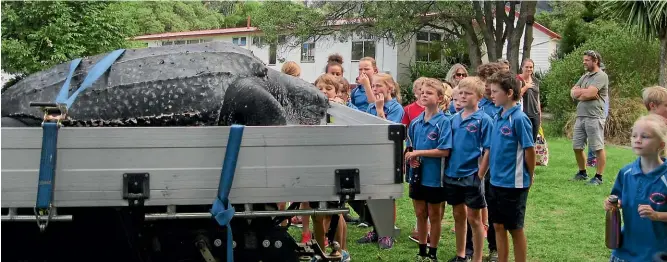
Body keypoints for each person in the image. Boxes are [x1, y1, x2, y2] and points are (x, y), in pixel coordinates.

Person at [604, 114, 667, 262]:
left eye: (645, 136)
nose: (637, 140)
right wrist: (612, 204)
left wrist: (657, 215)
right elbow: (617, 198)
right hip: (625, 250)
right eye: (634, 135)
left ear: (661, 145)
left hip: (657, 253)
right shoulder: (626, 173)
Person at [487, 70, 536, 262]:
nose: (491, 95)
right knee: (498, 226)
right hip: (496, 181)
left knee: (515, 228)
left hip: (514, 184)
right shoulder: (498, 116)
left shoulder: (519, 118)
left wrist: (529, 175)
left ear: (508, 93)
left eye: (495, 91)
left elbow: (529, 150)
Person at [444, 76, 493, 262]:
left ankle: (478, 258)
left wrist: (480, 174)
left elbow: (488, 150)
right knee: (458, 215)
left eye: (468, 93)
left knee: (474, 219)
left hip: (471, 175)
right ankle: (461, 254)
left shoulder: (484, 120)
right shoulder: (453, 119)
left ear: (479, 96)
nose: (463, 96)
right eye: (461, 92)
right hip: (452, 174)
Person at [405, 77, 453, 262]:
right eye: (422, 92)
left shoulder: (444, 122)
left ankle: (433, 253)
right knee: (420, 214)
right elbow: (410, 148)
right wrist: (411, 158)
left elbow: (444, 151)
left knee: (434, 215)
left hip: (436, 178)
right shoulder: (416, 123)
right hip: (418, 176)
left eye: (429, 93)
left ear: (440, 98)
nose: (424, 95)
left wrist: (419, 152)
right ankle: (422, 251)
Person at [570, 50, 609, 186]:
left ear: (595, 61)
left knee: (597, 147)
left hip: (594, 117)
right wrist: (583, 93)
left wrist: (584, 93)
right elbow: (573, 92)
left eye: (587, 60)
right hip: (581, 116)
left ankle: (598, 177)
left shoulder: (601, 76)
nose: (584, 62)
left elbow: (591, 92)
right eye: (584, 59)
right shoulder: (585, 76)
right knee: (577, 146)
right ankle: (582, 173)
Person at [517, 58, 541, 142]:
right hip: (523, 114)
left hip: (535, 114)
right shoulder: (517, 80)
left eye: (531, 67)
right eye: (526, 67)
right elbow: (516, 96)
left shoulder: (536, 81)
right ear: (522, 67)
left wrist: (539, 114)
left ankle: (532, 155)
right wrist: (526, 87)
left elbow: (537, 98)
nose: (529, 69)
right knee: (524, 141)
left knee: (533, 141)